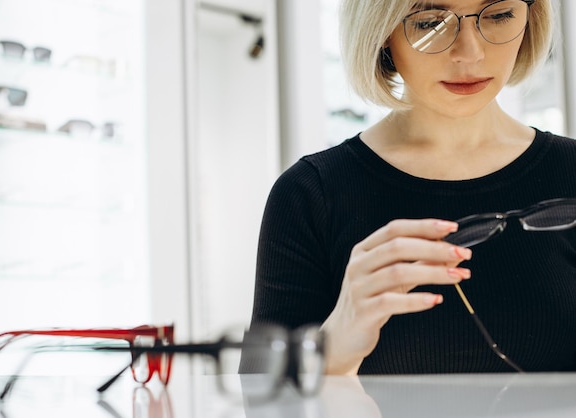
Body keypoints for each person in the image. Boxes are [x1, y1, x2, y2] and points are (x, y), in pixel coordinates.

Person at [247, 0, 576, 375]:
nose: (470, 52)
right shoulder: (310, 195)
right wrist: (334, 346)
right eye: (430, 23)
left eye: (500, 15)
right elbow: (258, 401)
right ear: (382, 32)